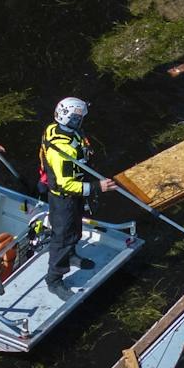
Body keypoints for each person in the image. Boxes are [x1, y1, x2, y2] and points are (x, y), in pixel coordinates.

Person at [38, 97, 115, 297]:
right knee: (62, 237)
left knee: (74, 229)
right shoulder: (64, 149)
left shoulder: (55, 129)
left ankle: (71, 254)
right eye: (79, 118)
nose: (82, 121)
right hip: (64, 198)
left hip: (74, 195)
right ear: (71, 119)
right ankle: (54, 279)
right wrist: (97, 187)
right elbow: (65, 184)